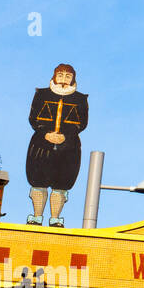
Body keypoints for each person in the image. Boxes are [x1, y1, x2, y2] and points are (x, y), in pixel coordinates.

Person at [26, 64, 88, 227]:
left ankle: (55, 218)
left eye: (68, 76)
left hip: (68, 147)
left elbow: (82, 123)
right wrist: (45, 133)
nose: (64, 79)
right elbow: (33, 118)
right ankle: (37, 216)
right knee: (38, 180)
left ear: (73, 78)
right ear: (54, 76)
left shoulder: (80, 99)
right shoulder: (42, 94)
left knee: (62, 182)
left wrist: (65, 137)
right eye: (60, 75)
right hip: (41, 144)